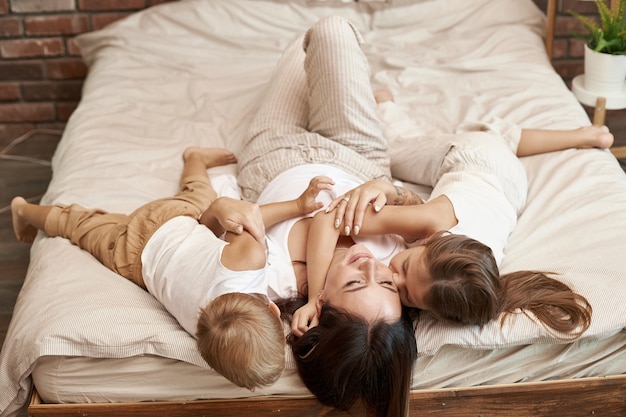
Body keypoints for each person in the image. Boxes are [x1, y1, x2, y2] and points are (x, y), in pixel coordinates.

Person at [10, 146, 331, 391]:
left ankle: (24, 208)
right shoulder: (202, 332)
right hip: (134, 259)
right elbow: (239, 215)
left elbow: (247, 218)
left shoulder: (246, 263)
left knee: (197, 190)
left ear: (276, 312)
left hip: (174, 221)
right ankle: (27, 212)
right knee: (79, 225)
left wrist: (298, 207)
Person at [236, 16, 418, 417]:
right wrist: (392, 191)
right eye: (386, 282)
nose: (371, 265)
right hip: (356, 152)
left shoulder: (273, 277)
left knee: (300, 47)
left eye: (355, 282)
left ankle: (347, 90)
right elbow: (425, 210)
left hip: (274, 154)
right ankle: (366, 100)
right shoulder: (401, 263)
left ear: (323, 307)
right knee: (332, 30)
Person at [324, 89, 613, 333]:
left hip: (512, 182)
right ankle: (385, 101)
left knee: (500, 140)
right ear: (434, 239)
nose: (391, 273)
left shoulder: (480, 274)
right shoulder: (434, 220)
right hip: (471, 156)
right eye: (404, 268)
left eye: (406, 296)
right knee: (396, 153)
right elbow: (339, 220)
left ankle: (582, 135)